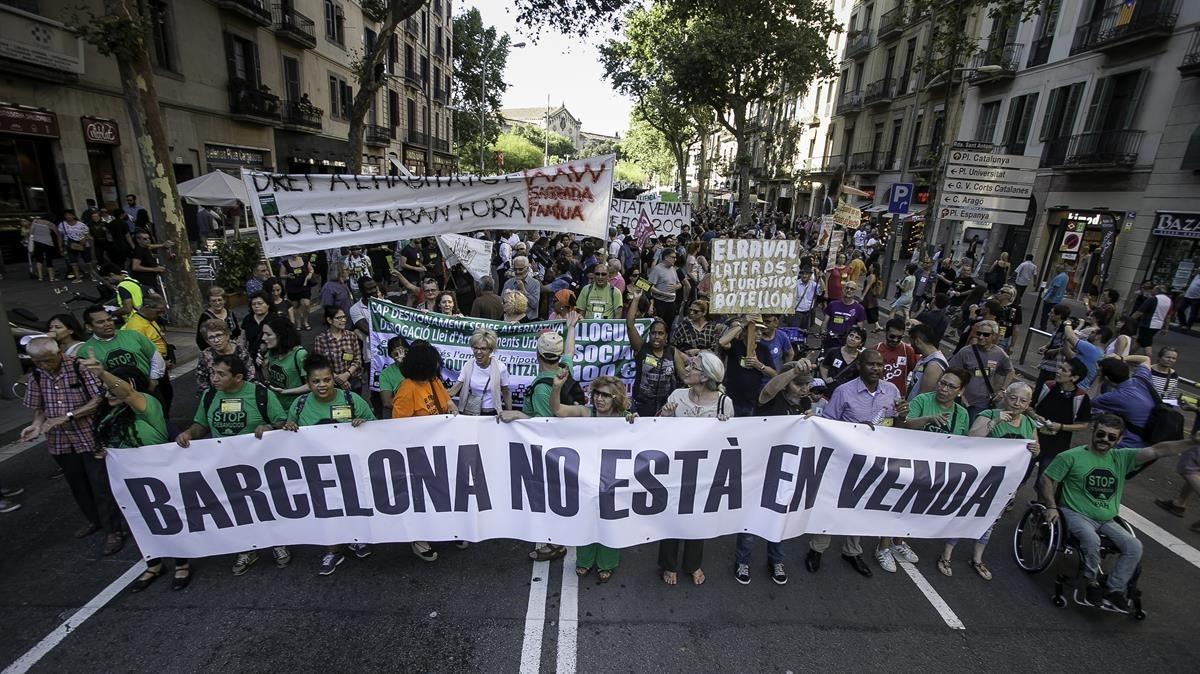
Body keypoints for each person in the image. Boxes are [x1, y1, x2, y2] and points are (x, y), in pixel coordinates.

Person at [1042, 415, 1200, 610]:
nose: (1104, 440)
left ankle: (1114, 589)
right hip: (1076, 513)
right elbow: (1047, 479)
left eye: (1111, 437)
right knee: (1091, 540)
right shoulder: (1070, 456)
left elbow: (1159, 450)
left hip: (1107, 519)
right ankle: (1090, 582)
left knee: (1134, 546)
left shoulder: (1121, 457)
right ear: (1093, 432)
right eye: (1101, 434)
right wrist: (1050, 506)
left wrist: (1191, 441)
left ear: (1119, 439)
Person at [83, 355, 190, 591]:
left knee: (169, 517)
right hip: (127, 478)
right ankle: (154, 563)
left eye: (114, 386)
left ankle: (182, 562)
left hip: (158, 474)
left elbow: (128, 395)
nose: (108, 391)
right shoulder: (106, 412)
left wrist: (102, 373)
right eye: (105, 387)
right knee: (139, 519)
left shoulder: (147, 404)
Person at [176, 355, 289, 575]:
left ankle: (278, 542)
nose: (214, 378)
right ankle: (247, 549)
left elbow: (281, 422)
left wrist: (268, 427)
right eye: (213, 373)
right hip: (225, 464)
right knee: (237, 507)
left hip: (258, 464)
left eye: (221, 374)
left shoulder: (260, 394)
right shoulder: (209, 396)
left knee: (265, 503)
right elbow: (201, 425)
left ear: (238, 377)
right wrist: (189, 433)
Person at [19, 337, 122, 554]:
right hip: (60, 442)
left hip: (89, 436)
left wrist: (68, 416)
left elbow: (98, 400)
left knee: (100, 484)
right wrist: (36, 426)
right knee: (77, 484)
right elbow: (39, 408)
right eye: (38, 361)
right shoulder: (36, 376)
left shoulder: (79, 367)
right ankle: (94, 520)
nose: (43, 365)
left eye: (47, 360)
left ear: (58, 354)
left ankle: (113, 530)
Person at [810, 349, 907, 577]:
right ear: (859, 366)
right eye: (871, 364)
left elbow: (898, 425)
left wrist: (902, 415)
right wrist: (856, 431)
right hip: (845, 461)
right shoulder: (843, 392)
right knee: (832, 506)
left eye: (880, 364)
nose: (876, 368)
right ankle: (817, 549)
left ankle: (852, 551)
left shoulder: (891, 391)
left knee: (862, 507)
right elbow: (828, 425)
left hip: (875, 464)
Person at [281, 354, 376, 575]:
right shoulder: (300, 404)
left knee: (353, 505)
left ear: (333, 379)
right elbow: (287, 433)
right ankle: (333, 551)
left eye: (326, 380)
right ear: (308, 382)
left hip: (349, 468)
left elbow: (375, 427)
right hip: (318, 472)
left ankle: (356, 539)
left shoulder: (352, 400)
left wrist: (363, 423)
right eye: (316, 381)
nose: (322, 385)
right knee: (327, 511)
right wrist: (289, 427)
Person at [498, 315, 580, 562]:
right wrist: (571, 329)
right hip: (565, 447)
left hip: (549, 450)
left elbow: (545, 423)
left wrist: (517, 414)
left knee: (550, 496)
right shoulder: (563, 370)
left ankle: (555, 544)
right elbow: (570, 351)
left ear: (538, 355)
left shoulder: (544, 387)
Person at [940, 382, 1040, 580]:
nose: (1017, 404)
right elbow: (971, 438)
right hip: (982, 479)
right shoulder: (989, 415)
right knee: (965, 514)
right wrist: (994, 423)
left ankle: (977, 558)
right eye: (1013, 398)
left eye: (1023, 400)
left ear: (1029, 403)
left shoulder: (1028, 424)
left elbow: (1036, 448)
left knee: (990, 520)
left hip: (1006, 483)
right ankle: (946, 555)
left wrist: (1036, 451)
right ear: (1005, 397)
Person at [550, 372, 636, 583]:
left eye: (605, 395)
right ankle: (584, 561)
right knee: (587, 519)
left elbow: (640, 436)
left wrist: (635, 422)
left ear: (616, 398)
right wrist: (556, 388)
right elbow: (558, 410)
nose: (599, 399)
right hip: (587, 477)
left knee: (610, 521)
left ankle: (607, 564)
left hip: (614, 479)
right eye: (597, 393)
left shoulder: (625, 416)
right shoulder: (585, 413)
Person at [656, 351, 731, 585]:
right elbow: (658, 432)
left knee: (698, 519)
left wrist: (724, 428)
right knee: (672, 517)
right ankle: (669, 564)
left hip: (705, 474)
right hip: (676, 470)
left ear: (705, 376)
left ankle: (692, 563)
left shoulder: (724, 403)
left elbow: (729, 442)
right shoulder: (678, 395)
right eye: (688, 364)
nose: (686, 368)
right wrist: (665, 416)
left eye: (693, 366)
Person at [390, 339, 457, 562]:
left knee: (442, 494)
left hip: (438, 450)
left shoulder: (433, 381)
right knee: (421, 498)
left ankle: (446, 530)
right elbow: (398, 428)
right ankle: (419, 539)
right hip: (418, 456)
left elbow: (447, 402)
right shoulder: (406, 390)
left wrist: (452, 409)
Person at [1029, 359, 1093, 490]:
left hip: (1056, 447)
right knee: (1020, 473)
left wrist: (1061, 427)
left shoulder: (1081, 397)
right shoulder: (1047, 386)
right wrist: (1035, 415)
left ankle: (1041, 506)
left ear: (1074, 378)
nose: (1058, 371)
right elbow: (1029, 406)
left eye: (1063, 370)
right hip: (1033, 440)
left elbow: (1084, 424)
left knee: (1045, 482)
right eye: (1059, 368)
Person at [625, 289, 680, 417]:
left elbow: (685, 376)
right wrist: (636, 299)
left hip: (666, 407)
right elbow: (630, 325)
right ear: (649, 335)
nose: (656, 336)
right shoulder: (641, 348)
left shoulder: (672, 351)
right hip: (641, 406)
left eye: (660, 333)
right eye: (653, 333)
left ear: (666, 336)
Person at [946, 320, 1014, 421]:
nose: (981, 337)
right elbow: (951, 372)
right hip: (960, 401)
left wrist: (1002, 390)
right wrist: (959, 395)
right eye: (979, 333)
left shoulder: (999, 354)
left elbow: (1010, 371)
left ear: (994, 336)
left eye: (986, 334)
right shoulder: (966, 352)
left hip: (981, 404)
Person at [82, 305, 163, 388]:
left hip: (148, 386)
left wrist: (153, 381)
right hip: (118, 395)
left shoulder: (133, 335)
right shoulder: (85, 351)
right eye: (101, 322)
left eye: (109, 320)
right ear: (89, 327)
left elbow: (155, 357)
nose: (108, 324)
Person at [1090, 354, 1156, 448]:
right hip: (1153, 440)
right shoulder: (1141, 378)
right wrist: (1122, 358)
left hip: (1132, 444)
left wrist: (1098, 377)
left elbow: (1089, 399)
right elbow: (1146, 359)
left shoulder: (1115, 397)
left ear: (1107, 378)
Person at [121, 295, 173, 413]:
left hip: (160, 366)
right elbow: (139, 352)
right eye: (158, 311)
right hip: (152, 370)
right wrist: (161, 363)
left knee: (167, 395)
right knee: (159, 400)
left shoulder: (150, 320)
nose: (160, 315)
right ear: (147, 307)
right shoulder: (136, 326)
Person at [447, 327, 511, 415]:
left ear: (491, 350)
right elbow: (454, 389)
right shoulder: (468, 365)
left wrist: (510, 413)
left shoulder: (500, 367)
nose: (478, 352)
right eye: (475, 348)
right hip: (472, 412)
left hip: (492, 413)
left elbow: (506, 393)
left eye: (483, 349)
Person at [903, 367, 971, 436]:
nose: (944, 389)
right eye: (942, 383)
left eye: (951, 387)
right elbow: (904, 425)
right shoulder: (921, 400)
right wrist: (927, 420)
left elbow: (963, 440)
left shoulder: (962, 413)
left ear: (961, 391)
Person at [197, 318, 256, 395]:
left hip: (241, 392)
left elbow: (251, 376)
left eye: (219, 335)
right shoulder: (205, 355)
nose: (216, 340)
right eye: (211, 337)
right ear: (207, 341)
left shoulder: (240, 351)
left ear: (227, 335)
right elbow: (202, 380)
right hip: (216, 394)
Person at [260, 316, 308, 410]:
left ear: (281, 335)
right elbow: (269, 380)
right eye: (263, 333)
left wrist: (285, 392)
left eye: (268, 334)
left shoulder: (300, 355)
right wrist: (264, 367)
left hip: (296, 408)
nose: (263, 338)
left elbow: (311, 385)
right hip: (277, 406)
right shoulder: (270, 352)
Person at [313, 305, 363, 391]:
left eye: (344, 317)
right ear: (329, 320)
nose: (343, 320)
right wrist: (338, 378)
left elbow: (357, 359)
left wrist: (347, 374)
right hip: (332, 382)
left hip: (352, 380)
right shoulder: (321, 340)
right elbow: (320, 364)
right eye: (339, 318)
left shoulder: (351, 336)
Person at [875, 317, 917, 398]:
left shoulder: (908, 351)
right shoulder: (875, 350)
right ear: (886, 332)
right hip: (877, 395)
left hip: (898, 398)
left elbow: (915, 373)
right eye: (892, 336)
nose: (895, 340)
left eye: (899, 337)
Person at [817, 326, 865, 394]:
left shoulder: (862, 359)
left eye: (857, 338)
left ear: (861, 343)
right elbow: (824, 366)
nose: (852, 339)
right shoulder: (833, 352)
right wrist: (825, 378)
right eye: (851, 335)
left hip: (849, 394)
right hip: (831, 392)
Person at [906, 322, 947, 399]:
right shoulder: (925, 358)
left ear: (917, 341)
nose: (911, 345)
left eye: (911, 341)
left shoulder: (934, 365)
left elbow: (923, 398)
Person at [821, 280, 867, 348]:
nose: (849, 290)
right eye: (847, 288)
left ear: (855, 291)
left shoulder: (859, 308)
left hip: (846, 344)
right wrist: (822, 332)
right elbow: (825, 321)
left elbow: (859, 329)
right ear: (843, 289)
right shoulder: (832, 304)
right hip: (830, 341)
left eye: (852, 289)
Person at [1130, 284, 1172, 355]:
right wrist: (1166, 328)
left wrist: (1129, 319)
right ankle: (1129, 355)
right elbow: (1168, 316)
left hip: (1148, 324)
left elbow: (1139, 312)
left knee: (1147, 343)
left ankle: (1148, 360)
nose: (1152, 290)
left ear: (1158, 291)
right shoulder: (1169, 301)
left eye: (1154, 289)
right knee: (1140, 341)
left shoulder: (1153, 299)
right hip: (1158, 325)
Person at [278, 253, 315, 330]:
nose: (295, 254)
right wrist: (287, 276)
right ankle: (298, 323)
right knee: (295, 306)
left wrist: (310, 275)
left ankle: (305, 321)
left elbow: (311, 269)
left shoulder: (304, 260)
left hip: (304, 286)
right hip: (292, 288)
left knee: (306, 304)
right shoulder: (285, 263)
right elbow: (281, 275)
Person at [648, 248, 682, 329]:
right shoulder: (657, 269)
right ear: (666, 257)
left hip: (671, 303)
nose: (675, 259)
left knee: (669, 327)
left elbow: (679, 284)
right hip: (660, 303)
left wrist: (676, 287)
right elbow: (649, 286)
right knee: (659, 326)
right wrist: (663, 293)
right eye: (673, 257)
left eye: (675, 257)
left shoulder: (673, 269)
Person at [377, 335, 407, 417]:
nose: (402, 356)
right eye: (396, 353)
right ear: (390, 355)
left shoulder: (418, 366)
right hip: (400, 411)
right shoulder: (386, 374)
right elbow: (387, 402)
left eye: (405, 352)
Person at [503, 255, 541, 320]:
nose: (517, 272)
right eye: (515, 269)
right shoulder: (508, 283)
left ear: (527, 268)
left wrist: (523, 290)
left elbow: (534, 304)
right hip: (511, 321)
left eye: (520, 269)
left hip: (529, 322)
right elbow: (503, 302)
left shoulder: (535, 283)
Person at [59, 210, 93, 282]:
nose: (68, 216)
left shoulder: (81, 224)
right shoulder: (62, 225)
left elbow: (87, 234)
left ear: (74, 216)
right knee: (73, 261)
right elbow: (60, 236)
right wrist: (60, 246)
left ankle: (93, 275)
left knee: (88, 261)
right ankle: (78, 277)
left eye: (69, 215)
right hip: (70, 244)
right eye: (66, 215)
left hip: (83, 243)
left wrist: (85, 240)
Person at [241, 292, 272, 363]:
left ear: (268, 304)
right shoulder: (248, 319)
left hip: (270, 357)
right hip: (251, 357)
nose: (256, 306)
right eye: (253, 304)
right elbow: (243, 338)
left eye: (260, 303)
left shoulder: (274, 319)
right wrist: (242, 352)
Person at [1040, 264, 1069, 330]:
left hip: (1051, 299)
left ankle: (1043, 327)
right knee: (1056, 314)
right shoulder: (1066, 276)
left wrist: (1048, 297)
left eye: (1056, 268)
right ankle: (1056, 327)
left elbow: (1055, 288)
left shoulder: (1059, 277)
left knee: (1046, 313)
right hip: (1058, 298)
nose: (1055, 270)